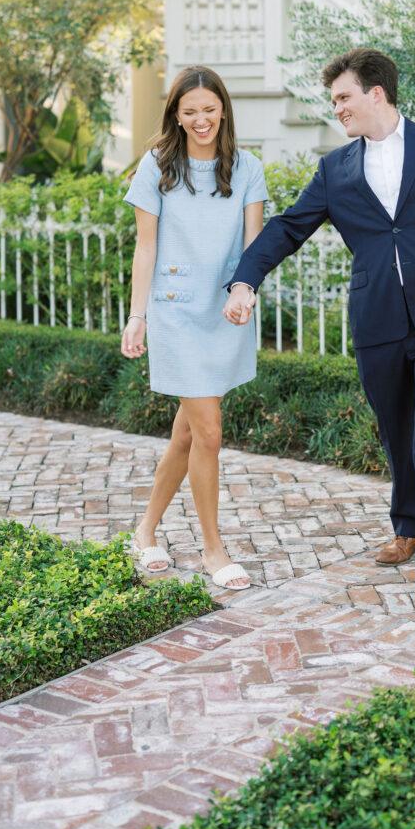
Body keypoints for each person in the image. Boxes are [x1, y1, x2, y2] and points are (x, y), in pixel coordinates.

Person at [223, 48, 415, 607]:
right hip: (378, 321)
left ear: (376, 94)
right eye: (334, 99)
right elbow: (288, 228)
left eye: (343, 97)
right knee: (397, 431)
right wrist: (245, 281)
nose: (337, 108)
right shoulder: (334, 169)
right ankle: (406, 527)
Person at [121, 65, 268, 590]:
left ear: (223, 109)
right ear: (176, 116)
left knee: (186, 434)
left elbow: (254, 247)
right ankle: (213, 549)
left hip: (225, 312)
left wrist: (243, 291)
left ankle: (145, 530)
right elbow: (146, 246)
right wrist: (137, 316)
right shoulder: (157, 165)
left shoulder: (247, 167)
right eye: (190, 112)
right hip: (176, 312)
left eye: (209, 109)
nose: (201, 120)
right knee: (208, 430)